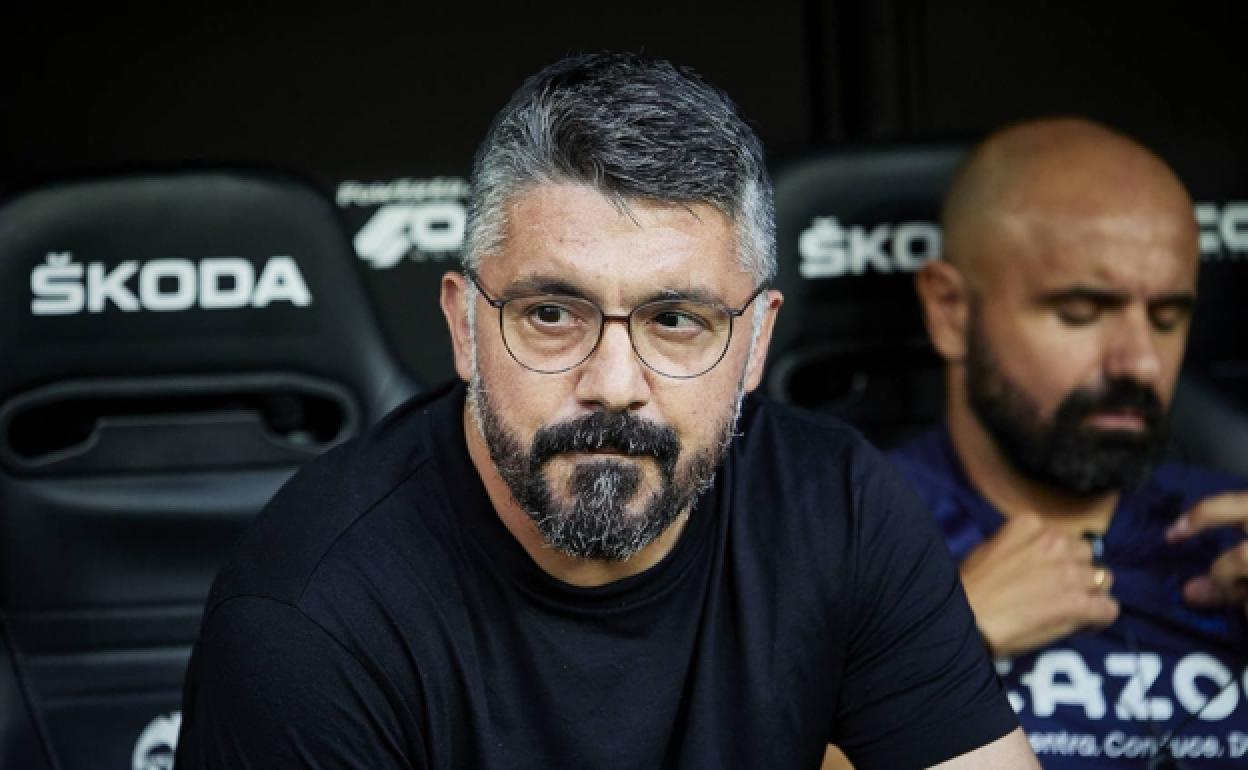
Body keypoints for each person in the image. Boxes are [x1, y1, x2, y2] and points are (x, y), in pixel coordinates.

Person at [174, 53, 1037, 769]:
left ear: (755, 345)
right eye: (552, 314)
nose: (615, 383)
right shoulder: (310, 614)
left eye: (677, 321)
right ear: (465, 327)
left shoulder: (837, 506)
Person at [893, 116, 1248, 768]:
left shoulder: (1233, 531)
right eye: (1081, 312)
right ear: (950, 311)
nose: (1139, 362)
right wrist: (952, 640)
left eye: (1167, 318)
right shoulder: (844, 535)